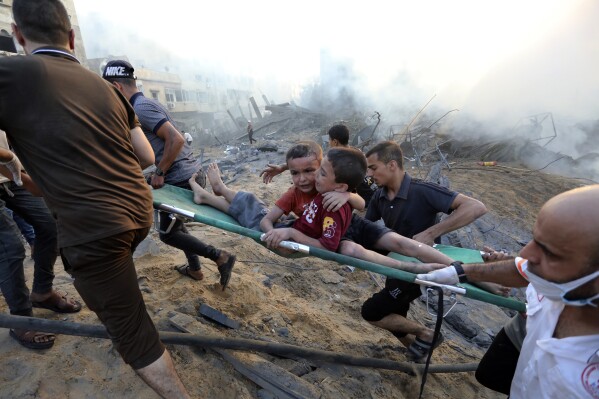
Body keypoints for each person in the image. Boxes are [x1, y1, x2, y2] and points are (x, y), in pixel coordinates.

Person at [0, 1, 190, 396]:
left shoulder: (13, 72)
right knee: (116, 280)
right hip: (138, 214)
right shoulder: (107, 87)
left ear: (18, 35)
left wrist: (6, 157)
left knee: (132, 331)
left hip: (95, 229)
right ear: (70, 38)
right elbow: (146, 156)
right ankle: (52, 291)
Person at [417, 185, 599, 398]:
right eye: (535, 240)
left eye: (550, 253)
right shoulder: (567, 283)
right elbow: (520, 268)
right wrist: (459, 272)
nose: (525, 253)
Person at [192, 141, 452, 272]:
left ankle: (460, 268)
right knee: (250, 208)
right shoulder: (306, 187)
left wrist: (347, 195)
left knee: (402, 243)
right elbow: (271, 216)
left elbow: (360, 203)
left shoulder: (334, 187)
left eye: (315, 173)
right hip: (322, 231)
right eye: (297, 174)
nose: (308, 179)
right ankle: (215, 194)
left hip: (345, 226)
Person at [103, 59, 235, 287]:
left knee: (168, 234)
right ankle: (195, 269)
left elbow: (176, 139)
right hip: (187, 173)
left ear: (116, 87)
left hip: (180, 179)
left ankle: (219, 256)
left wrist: (160, 171)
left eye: (107, 92)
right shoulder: (146, 104)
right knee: (175, 224)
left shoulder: (139, 108)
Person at [359, 140, 487, 362]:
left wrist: (431, 232)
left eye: (373, 168)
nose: (369, 174)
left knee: (372, 311)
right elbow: (365, 230)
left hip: (424, 268)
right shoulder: (379, 197)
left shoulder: (422, 191)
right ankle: (418, 355)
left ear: (391, 165)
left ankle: (428, 334)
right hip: (398, 266)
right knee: (395, 317)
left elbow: (476, 207)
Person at [1, 133, 81, 350]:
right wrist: (8, 156)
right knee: (9, 249)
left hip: (8, 173)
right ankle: (21, 319)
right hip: (7, 163)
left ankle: (42, 292)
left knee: (51, 224)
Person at [260, 147, 367, 252]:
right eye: (294, 173)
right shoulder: (300, 191)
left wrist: (347, 195)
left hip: (340, 229)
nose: (302, 179)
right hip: (307, 232)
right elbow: (266, 219)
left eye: (309, 171)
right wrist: (274, 236)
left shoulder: (331, 192)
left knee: (354, 246)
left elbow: (362, 205)